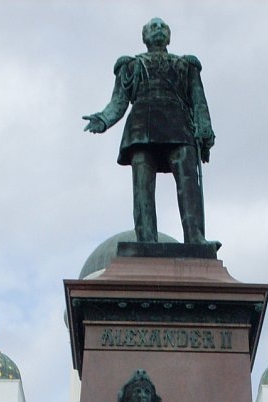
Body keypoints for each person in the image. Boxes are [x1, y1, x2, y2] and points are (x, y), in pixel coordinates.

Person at [83, 17, 216, 246]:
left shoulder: (187, 65)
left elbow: (199, 101)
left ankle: (195, 238)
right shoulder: (131, 66)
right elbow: (119, 101)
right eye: (153, 27)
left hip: (179, 127)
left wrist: (204, 132)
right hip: (141, 127)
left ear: (169, 36)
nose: (158, 29)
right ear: (144, 37)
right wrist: (103, 119)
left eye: (163, 27)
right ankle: (146, 240)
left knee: (188, 183)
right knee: (142, 188)